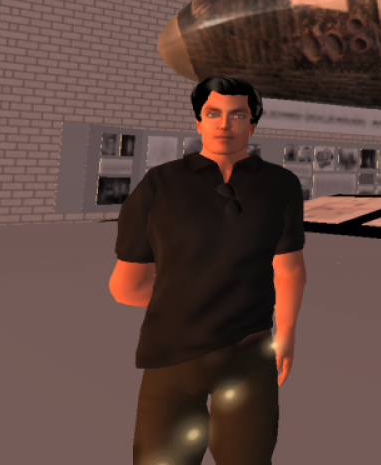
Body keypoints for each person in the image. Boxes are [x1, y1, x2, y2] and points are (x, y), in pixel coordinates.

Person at [108, 76, 307, 465]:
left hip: (224, 353)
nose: (224, 124)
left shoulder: (281, 185)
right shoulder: (158, 184)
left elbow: (290, 267)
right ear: (198, 122)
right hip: (182, 355)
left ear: (253, 125)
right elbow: (124, 285)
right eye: (213, 114)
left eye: (238, 115)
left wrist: (286, 333)